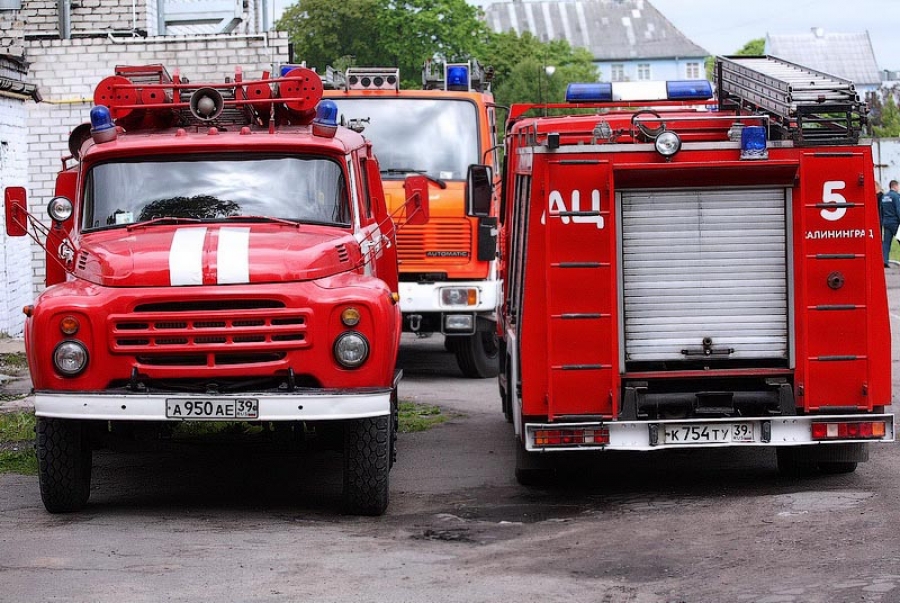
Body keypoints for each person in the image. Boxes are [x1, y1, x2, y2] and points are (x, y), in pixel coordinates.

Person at [881, 180, 900, 267]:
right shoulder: (896, 196)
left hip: (886, 222)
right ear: (895, 186)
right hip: (895, 223)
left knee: (886, 243)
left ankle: (885, 260)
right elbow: (898, 209)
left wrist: (882, 221)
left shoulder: (884, 196)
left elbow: (881, 210)